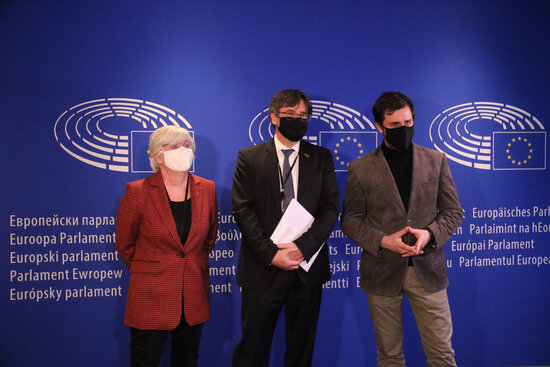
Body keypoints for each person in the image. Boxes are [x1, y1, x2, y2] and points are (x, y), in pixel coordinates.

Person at [341, 91, 463, 367]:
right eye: (395, 125)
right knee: (389, 357)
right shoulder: (360, 169)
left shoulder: (436, 160)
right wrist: (384, 241)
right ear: (379, 126)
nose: (403, 129)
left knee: (442, 355)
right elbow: (349, 220)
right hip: (382, 273)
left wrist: (429, 234)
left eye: (408, 123)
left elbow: (454, 212)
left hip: (428, 271)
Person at [232, 89, 340, 367]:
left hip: (306, 269)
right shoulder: (249, 157)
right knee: (252, 351)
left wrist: (303, 248)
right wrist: (271, 254)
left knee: (301, 352)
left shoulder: (321, 158)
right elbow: (243, 210)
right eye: (291, 114)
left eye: (303, 115)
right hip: (262, 268)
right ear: (274, 118)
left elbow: (330, 208)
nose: (299, 120)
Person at [115, 126, 218, 367]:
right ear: (158, 156)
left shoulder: (208, 189)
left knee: (187, 361)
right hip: (151, 296)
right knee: (145, 361)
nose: (183, 150)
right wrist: (153, 270)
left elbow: (209, 238)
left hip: (193, 295)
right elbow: (125, 244)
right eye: (175, 146)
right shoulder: (137, 191)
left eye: (187, 145)